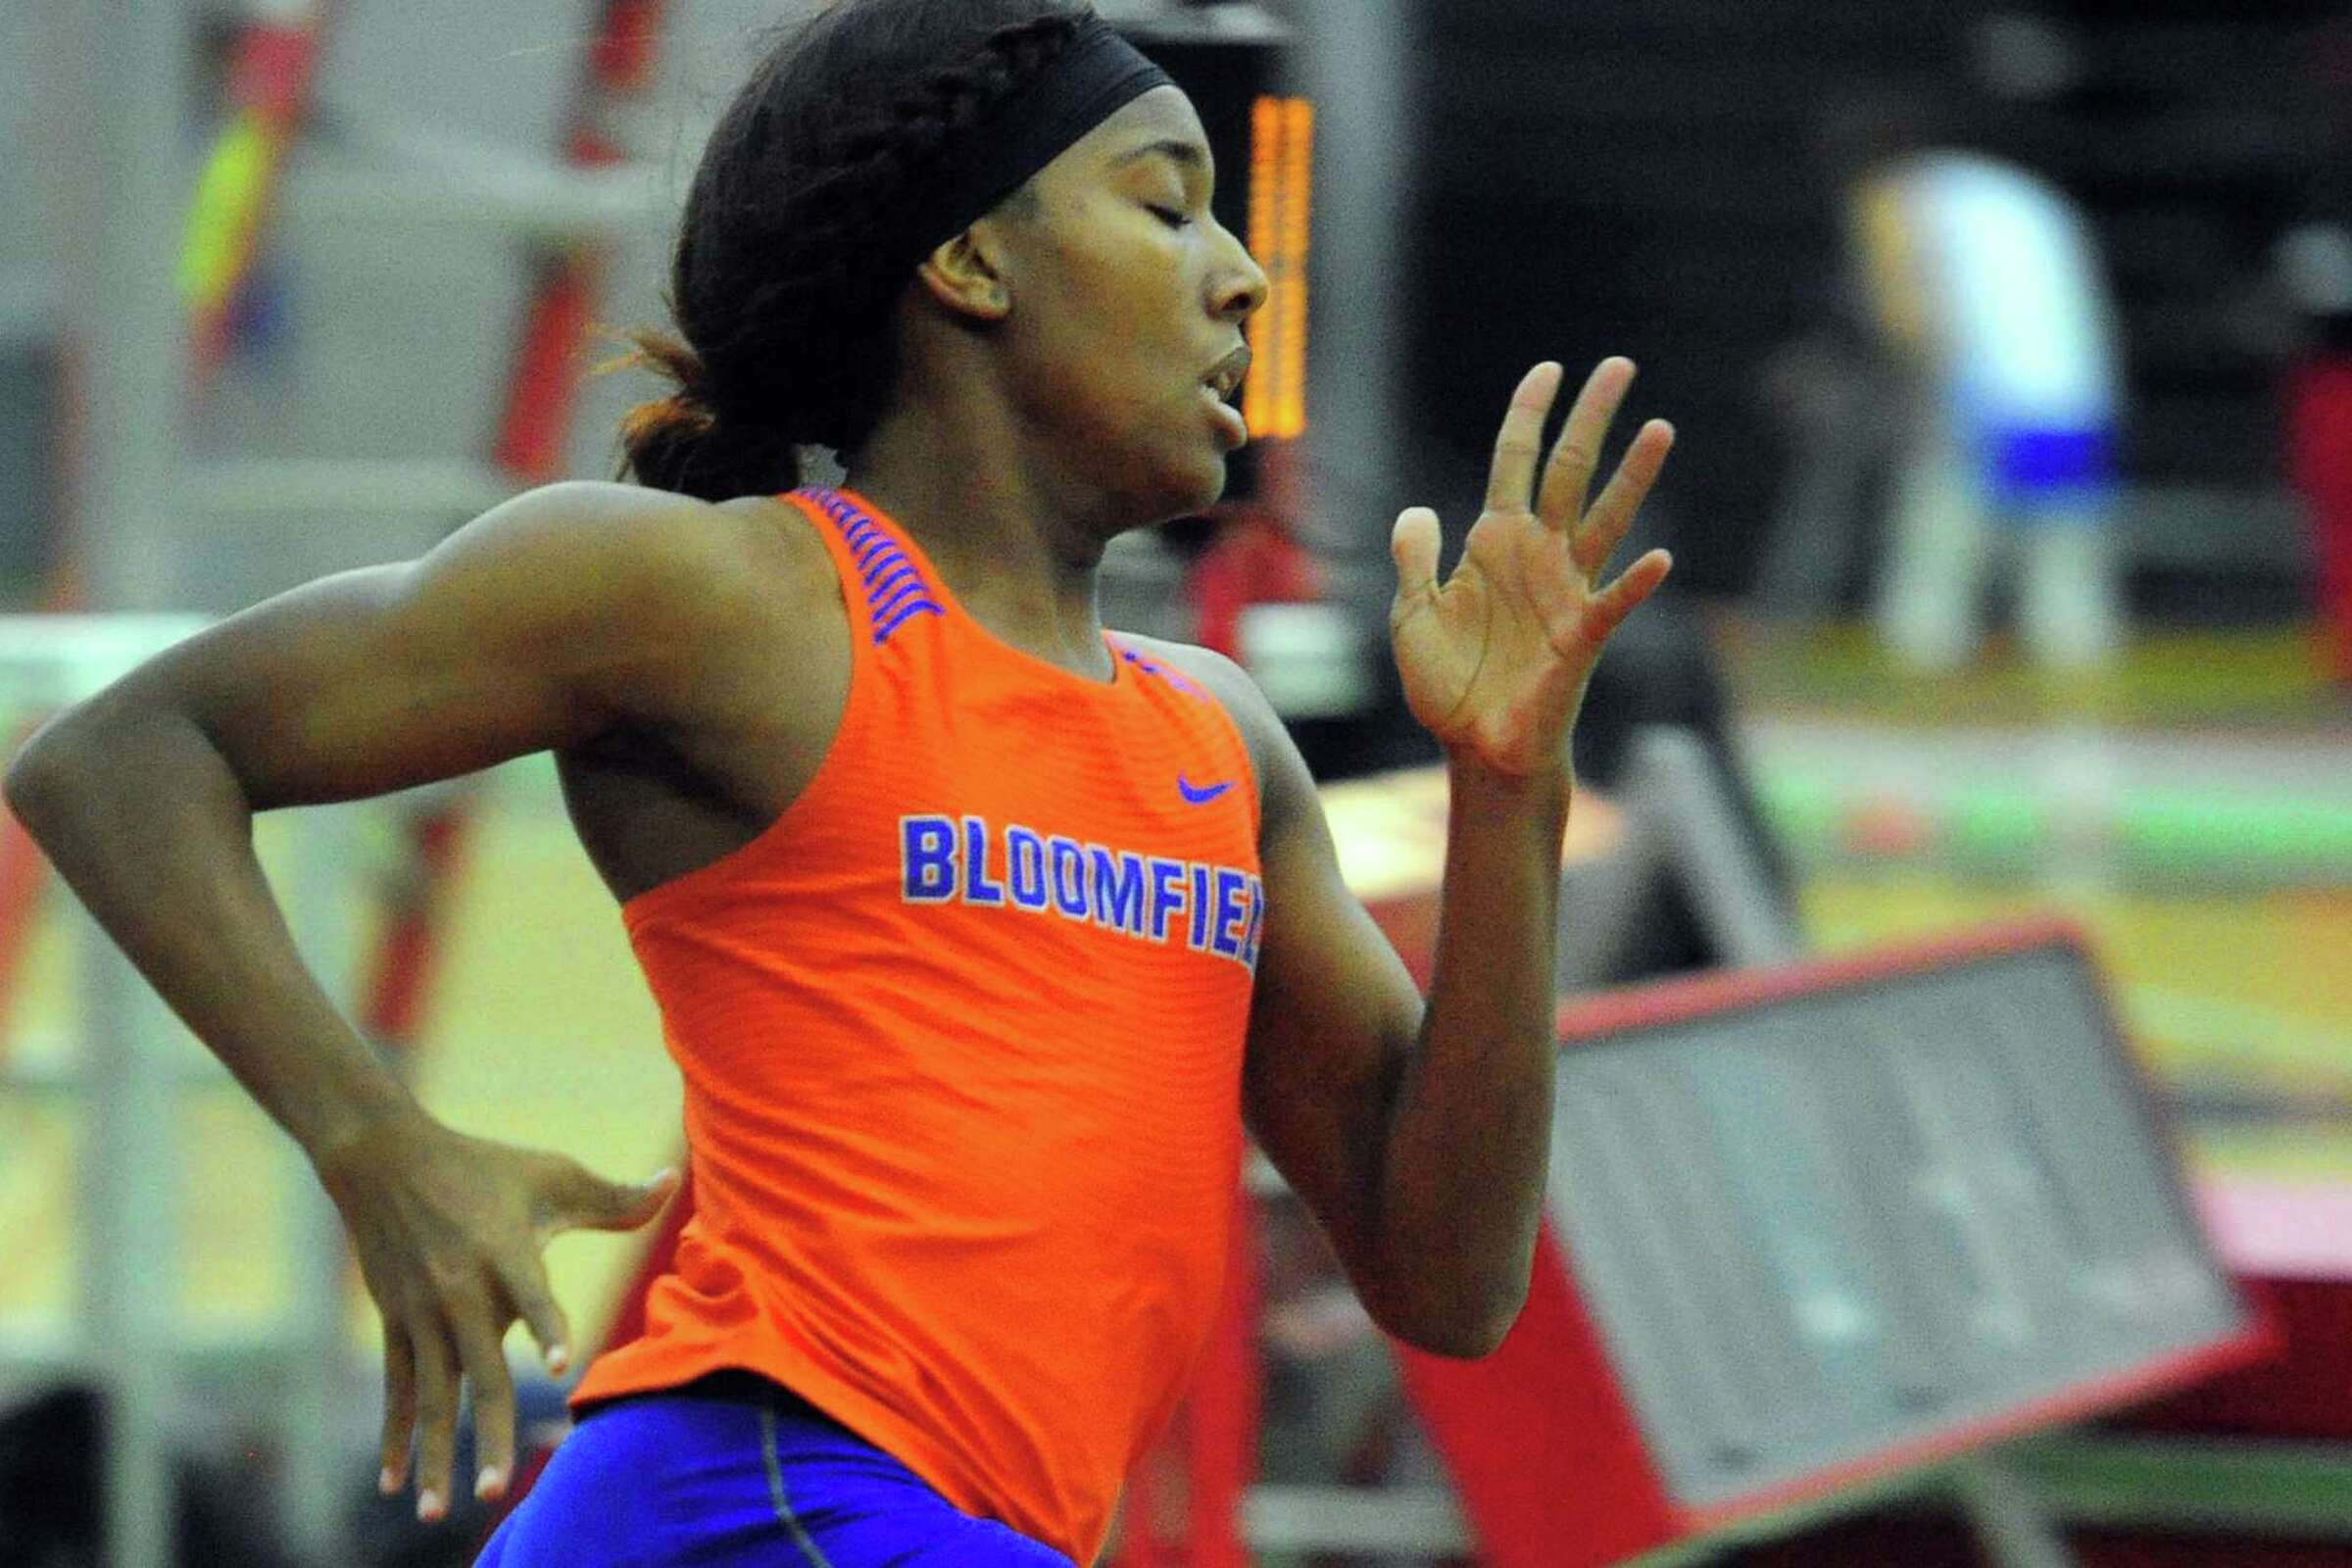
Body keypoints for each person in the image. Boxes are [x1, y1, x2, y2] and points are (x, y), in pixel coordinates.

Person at [4, 2, 1674, 1562]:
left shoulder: (1216, 742)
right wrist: (378, 1144)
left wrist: (1508, 787)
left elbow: (1449, 1275)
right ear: (965, 259)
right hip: (754, 1494)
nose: (1243, 277)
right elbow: (125, 755)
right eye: (1169, 210)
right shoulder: (737, 601)